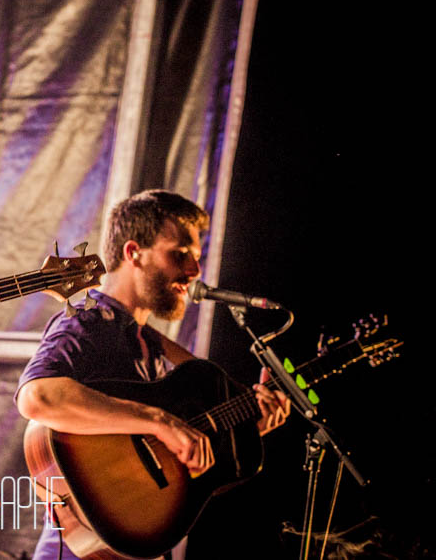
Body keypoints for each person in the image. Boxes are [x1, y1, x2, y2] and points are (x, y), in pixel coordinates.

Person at [15, 189, 290, 560]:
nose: (194, 272)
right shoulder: (89, 323)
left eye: (196, 258)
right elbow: (37, 397)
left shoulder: (150, 345)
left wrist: (246, 428)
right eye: (180, 255)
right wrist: (157, 421)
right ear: (133, 253)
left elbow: (174, 474)